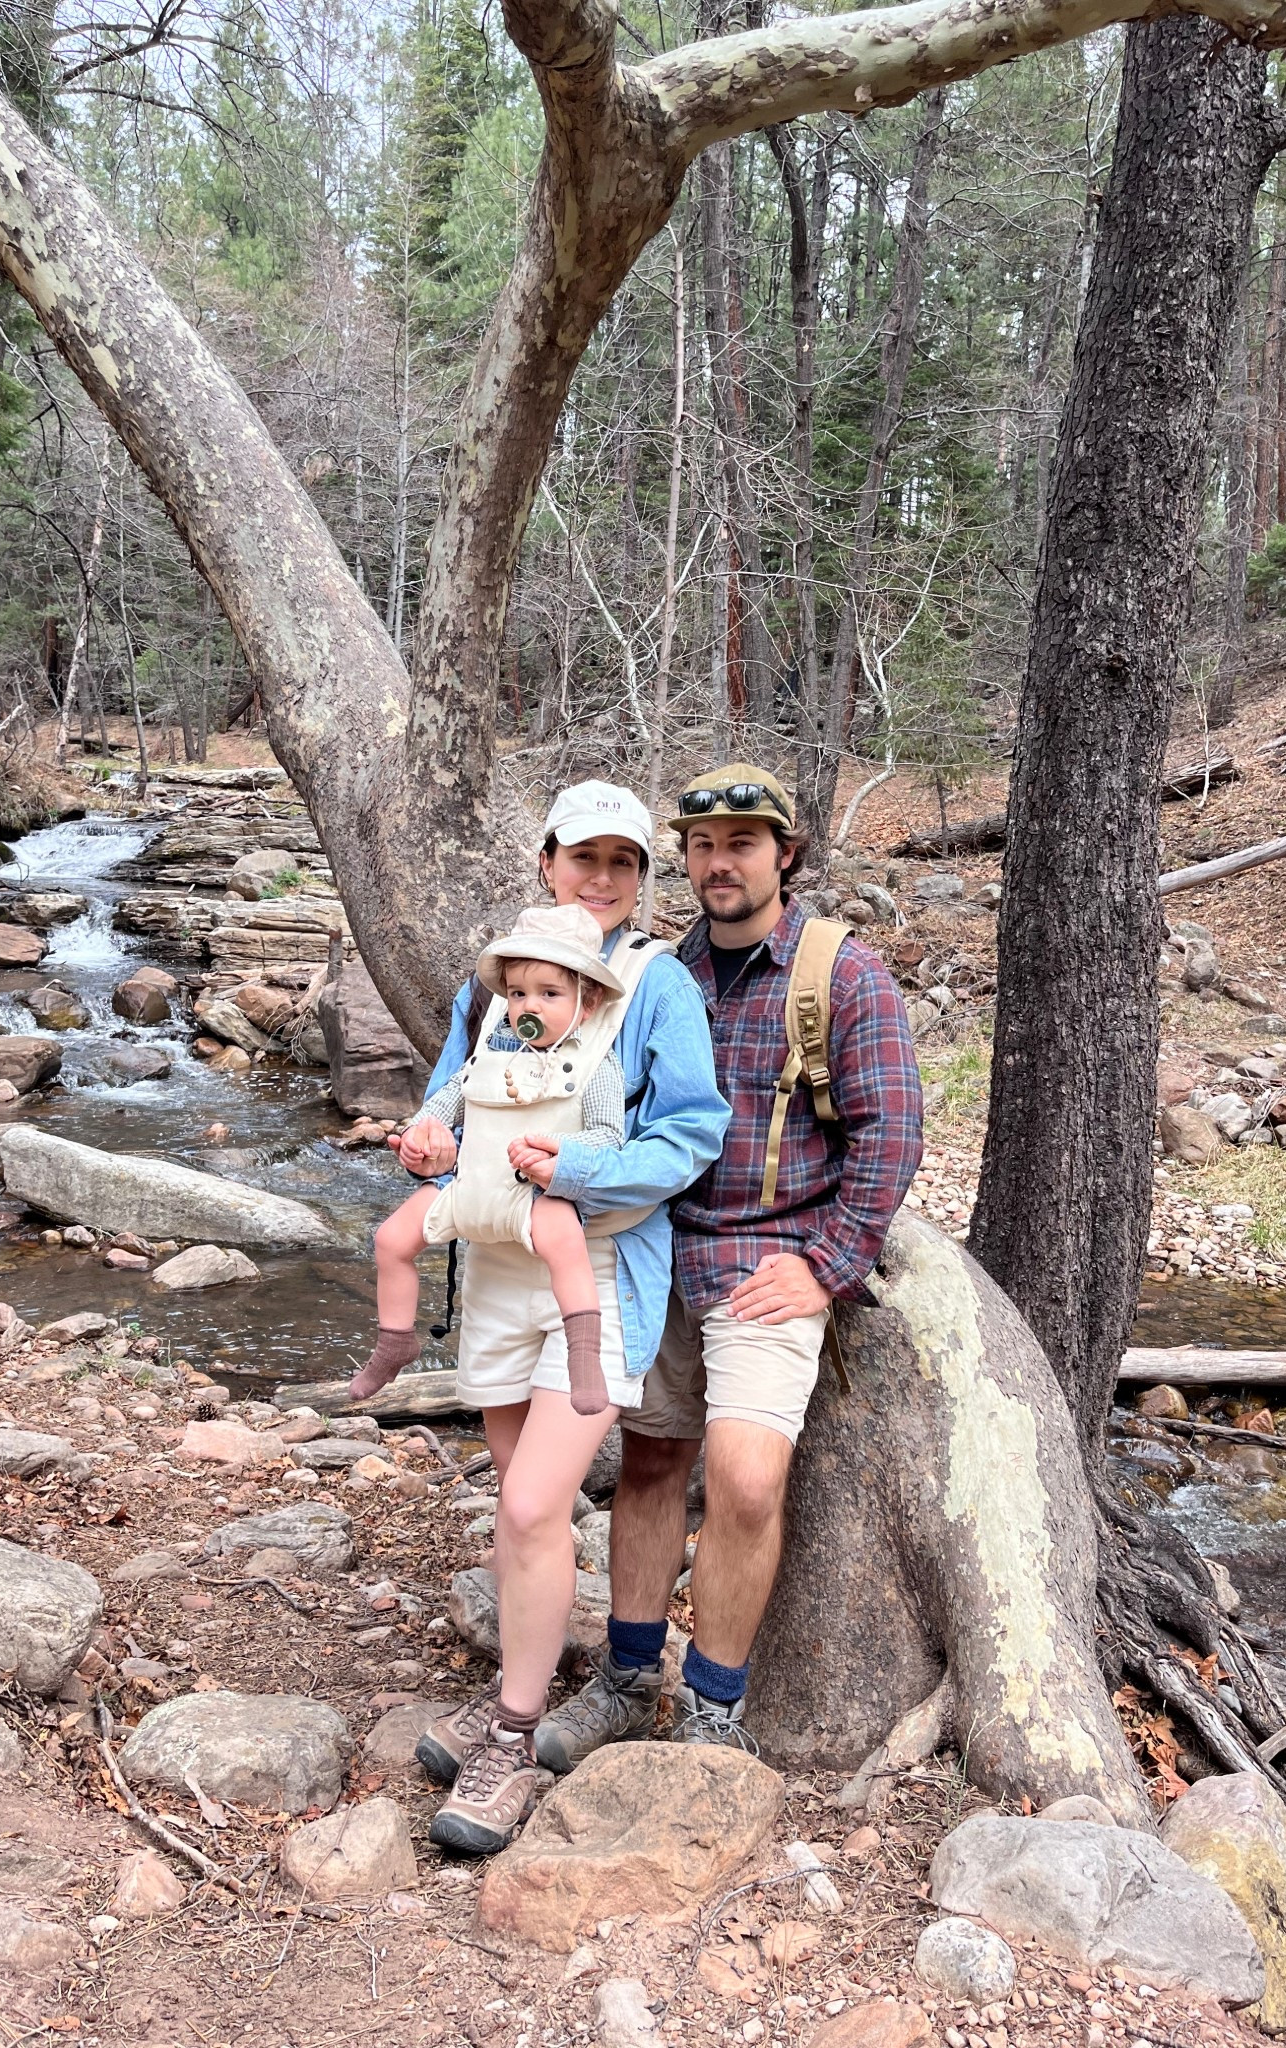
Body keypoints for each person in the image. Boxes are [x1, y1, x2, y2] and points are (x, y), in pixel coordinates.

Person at [535, 763, 923, 1768]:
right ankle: (625, 1680)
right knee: (653, 1460)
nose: (719, 862)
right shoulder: (660, 972)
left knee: (746, 1482)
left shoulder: (841, 973)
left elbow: (892, 1130)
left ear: (785, 854)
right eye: (703, 845)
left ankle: (712, 1704)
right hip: (659, 1249)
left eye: (743, 843)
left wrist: (831, 1264)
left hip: (772, 1260)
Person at [405, 781, 730, 1854]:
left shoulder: (658, 987)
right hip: (496, 1269)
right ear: (546, 859)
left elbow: (691, 1134)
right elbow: (455, 1085)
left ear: (642, 878)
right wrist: (425, 1132)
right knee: (518, 1507)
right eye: (582, 857)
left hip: (601, 1270)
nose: (601, 878)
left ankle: (511, 1734)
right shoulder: (497, 978)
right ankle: (522, 1683)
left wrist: (581, 1164)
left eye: (623, 863)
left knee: (541, 1499)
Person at [350, 904, 629, 1417]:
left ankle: (584, 1357)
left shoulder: (597, 1060)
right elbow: (447, 1101)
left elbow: (610, 1135)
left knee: (566, 1243)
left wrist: (559, 1150)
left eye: (550, 994)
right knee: (391, 1238)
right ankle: (395, 1340)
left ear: (586, 1004)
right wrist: (421, 1133)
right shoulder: (488, 1051)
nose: (530, 1005)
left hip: (534, 1192)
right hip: (470, 1186)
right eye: (519, 993)